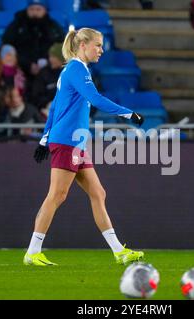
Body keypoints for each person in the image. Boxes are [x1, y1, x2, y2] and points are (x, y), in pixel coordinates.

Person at [24, 28, 145, 266]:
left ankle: (118, 251)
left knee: (98, 193)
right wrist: (128, 113)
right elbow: (96, 98)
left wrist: (43, 139)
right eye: (98, 45)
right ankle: (32, 252)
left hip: (74, 142)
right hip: (68, 141)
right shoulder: (77, 69)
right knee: (57, 195)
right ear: (83, 46)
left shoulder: (71, 70)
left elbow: (56, 108)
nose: (101, 50)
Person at [1, 0, 64, 80]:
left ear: (45, 10)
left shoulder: (53, 27)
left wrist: (47, 62)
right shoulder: (17, 25)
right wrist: (27, 64)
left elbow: (61, 48)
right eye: (31, 9)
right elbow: (6, 46)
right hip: (21, 70)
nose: (34, 12)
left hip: (49, 71)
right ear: (27, 9)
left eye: (38, 9)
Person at [30, 43, 65, 117]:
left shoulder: (70, 72)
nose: (50, 59)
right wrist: (48, 103)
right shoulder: (43, 73)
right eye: (50, 56)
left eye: (53, 57)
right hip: (48, 111)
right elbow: (36, 96)